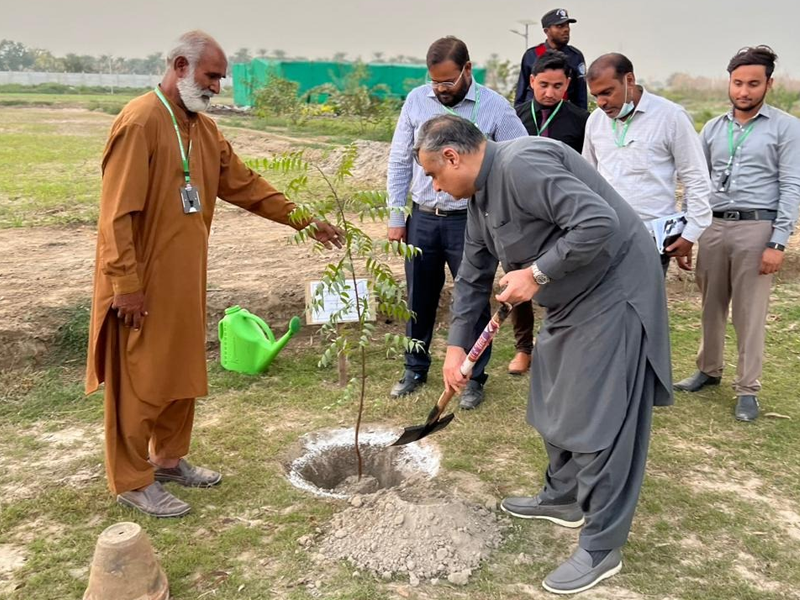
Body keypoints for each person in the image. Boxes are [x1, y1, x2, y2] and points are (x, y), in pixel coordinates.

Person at [85, 31, 342, 518]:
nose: (219, 88)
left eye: (220, 78)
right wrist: (126, 286)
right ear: (180, 65)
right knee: (138, 380)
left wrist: (306, 219)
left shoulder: (202, 129)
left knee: (179, 373)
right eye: (212, 77)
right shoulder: (140, 121)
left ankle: (167, 461)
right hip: (139, 286)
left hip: (186, 284)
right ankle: (133, 481)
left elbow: (246, 185)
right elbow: (115, 216)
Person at [415, 114, 672, 595]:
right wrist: (454, 351)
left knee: (601, 417)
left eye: (433, 174)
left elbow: (598, 220)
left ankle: (601, 545)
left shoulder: (522, 164)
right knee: (553, 395)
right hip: (570, 298)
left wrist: (536, 274)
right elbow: (472, 280)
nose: (434, 188)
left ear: (453, 156)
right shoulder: (479, 200)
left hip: (615, 290)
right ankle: (564, 496)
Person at [386, 36, 527, 408]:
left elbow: (520, 156)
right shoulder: (417, 101)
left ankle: (474, 375)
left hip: (471, 221)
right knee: (418, 297)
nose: (440, 89)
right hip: (423, 219)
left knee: (474, 296)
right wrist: (396, 215)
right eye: (435, 81)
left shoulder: (494, 108)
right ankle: (414, 367)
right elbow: (400, 159)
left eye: (448, 81)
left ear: (468, 69)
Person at [674, 46, 800, 422]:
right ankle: (708, 370)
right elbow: (697, 184)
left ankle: (748, 389)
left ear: (769, 84)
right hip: (713, 226)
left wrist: (778, 242)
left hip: (756, 228)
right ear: (729, 82)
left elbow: (792, 186)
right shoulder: (713, 128)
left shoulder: (786, 127)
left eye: (753, 84)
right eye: (738, 83)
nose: (744, 91)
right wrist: (688, 233)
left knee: (749, 314)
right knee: (710, 306)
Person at [583, 53, 712, 276]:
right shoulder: (595, 121)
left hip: (650, 238)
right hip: (606, 236)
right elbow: (588, 179)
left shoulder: (670, 117)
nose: (601, 102)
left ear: (629, 80)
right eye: (595, 96)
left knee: (643, 308)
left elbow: (696, 177)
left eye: (607, 92)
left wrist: (690, 233)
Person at [509, 49, 589, 375]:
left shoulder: (581, 120)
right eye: (543, 84)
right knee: (517, 278)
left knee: (560, 278)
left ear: (568, 84)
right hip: (521, 214)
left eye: (558, 85)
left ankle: (561, 346)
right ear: (531, 81)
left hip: (562, 217)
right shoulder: (514, 117)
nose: (549, 92)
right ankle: (523, 348)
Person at [514, 8, 587, 110]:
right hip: (534, 114)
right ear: (546, 31)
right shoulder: (532, 55)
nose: (566, 29)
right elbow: (521, 93)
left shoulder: (575, 56)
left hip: (563, 114)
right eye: (560, 26)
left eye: (567, 25)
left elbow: (581, 96)